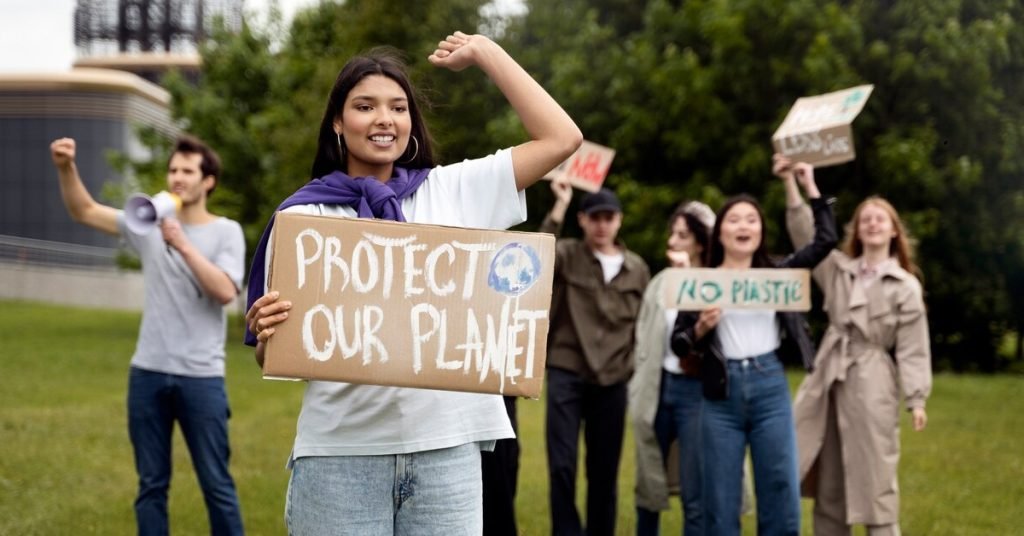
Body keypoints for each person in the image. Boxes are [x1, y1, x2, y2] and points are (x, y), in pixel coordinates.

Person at [243, 32, 582, 535]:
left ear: (411, 122)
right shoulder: (305, 218)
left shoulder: (455, 190)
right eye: (365, 106)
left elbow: (561, 138)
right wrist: (267, 332)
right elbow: (275, 354)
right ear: (338, 121)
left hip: (446, 455)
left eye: (398, 107)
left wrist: (486, 52)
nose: (384, 119)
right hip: (341, 457)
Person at [49, 136, 246, 535]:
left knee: (216, 485)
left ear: (207, 181)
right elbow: (83, 210)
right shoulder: (148, 223)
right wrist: (65, 167)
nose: (177, 177)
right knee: (151, 486)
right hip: (148, 373)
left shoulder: (227, 232)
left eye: (187, 171)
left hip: (201, 377)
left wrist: (182, 244)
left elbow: (225, 291)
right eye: (173, 170)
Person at [670, 169, 838, 536]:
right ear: (721, 232)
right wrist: (701, 328)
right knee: (720, 496)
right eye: (733, 219)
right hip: (720, 394)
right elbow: (678, 342)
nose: (743, 226)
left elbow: (826, 241)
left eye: (751, 219)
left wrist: (811, 186)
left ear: (760, 230)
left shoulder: (778, 272)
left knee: (780, 489)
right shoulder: (704, 282)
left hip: (770, 388)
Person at [777, 155, 932, 536]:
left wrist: (916, 398)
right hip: (829, 375)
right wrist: (797, 185)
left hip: (872, 378)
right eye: (866, 219)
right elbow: (806, 236)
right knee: (828, 477)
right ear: (857, 231)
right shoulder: (838, 269)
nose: (873, 223)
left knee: (875, 475)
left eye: (880, 218)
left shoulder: (904, 284)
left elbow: (913, 346)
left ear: (894, 231)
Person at [541, 177, 651, 536]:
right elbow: (538, 254)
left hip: (613, 380)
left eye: (609, 217)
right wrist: (560, 204)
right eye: (595, 217)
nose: (602, 224)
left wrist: (633, 365)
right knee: (562, 466)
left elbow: (644, 326)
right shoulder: (568, 254)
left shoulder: (637, 268)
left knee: (604, 470)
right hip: (566, 370)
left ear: (618, 221)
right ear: (584, 220)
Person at [629, 201, 715, 536]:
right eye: (673, 234)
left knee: (695, 489)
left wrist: (688, 278)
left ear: (699, 241)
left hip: (694, 390)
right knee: (649, 481)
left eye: (683, 235)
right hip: (658, 387)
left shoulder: (714, 280)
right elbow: (644, 338)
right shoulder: (660, 282)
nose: (674, 241)